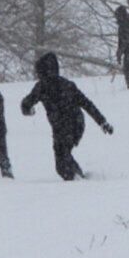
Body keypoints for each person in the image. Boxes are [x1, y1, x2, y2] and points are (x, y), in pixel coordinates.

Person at [21, 52, 114, 180]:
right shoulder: (61, 85)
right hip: (72, 124)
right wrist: (102, 122)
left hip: (70, 125)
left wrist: (102, 122)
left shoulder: (46, 86)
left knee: (62, 159)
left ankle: (76, 181)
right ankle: (79, 177)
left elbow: (26, 103)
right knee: (63, 156)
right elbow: (87, 105)